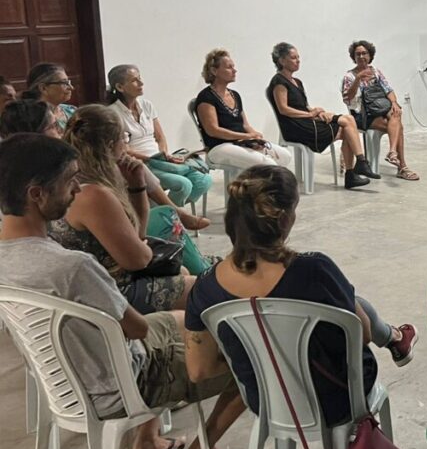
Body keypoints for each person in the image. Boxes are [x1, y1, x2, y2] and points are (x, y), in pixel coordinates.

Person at [0, 134, 248, 449]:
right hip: (121, 387)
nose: (77, 189)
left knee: (179, 320)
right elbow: (137, 330)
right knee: (248, 355)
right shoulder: (72, 267)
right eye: (70, 181)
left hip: (62, 382)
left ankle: (146, 444)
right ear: (37, 194)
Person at [184, 165, 418, 430]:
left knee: (348, 301)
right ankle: (393, 337)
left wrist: (262, 358)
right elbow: (362, 335)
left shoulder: (204, 288)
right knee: (351, 302)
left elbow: (199, 370)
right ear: (284, 219)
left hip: (268, 402)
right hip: (337, 399)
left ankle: (394, 337)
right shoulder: (315, 270)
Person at [51, 105, 208, 311]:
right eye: (124, 138)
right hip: (102, 293)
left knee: (183, 271)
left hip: (97, 280)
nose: (126, 145)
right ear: (110, 145)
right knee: (204, 290)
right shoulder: (93, 194)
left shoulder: (69, 174)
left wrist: (137, 187)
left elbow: (137, 235)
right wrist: (145, 246)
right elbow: (139, 259)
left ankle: (204, 274)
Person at [267, 42, 377, 189]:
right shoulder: (279, 81)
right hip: (296, 127)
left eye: (298, 57)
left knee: (348, 122)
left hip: (306, 121)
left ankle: (357, 167)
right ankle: (356, 168)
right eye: (293, 58)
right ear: (281, 60)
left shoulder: (297, 82)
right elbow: (284, 109)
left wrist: (318, 111)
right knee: (348, 126)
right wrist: (310, 114)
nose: (298, 60)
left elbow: (303, 106)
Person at [107, 64, 215, 212]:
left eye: (140, 78)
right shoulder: (113, 113)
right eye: (134, 80)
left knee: (204, 180)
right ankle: (170, 217)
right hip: (140, 164)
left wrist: (164, 154)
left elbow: (160, 137)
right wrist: (151, 159)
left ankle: (164, 214)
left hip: (159, 160)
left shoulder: (147, 105)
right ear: (120, 87)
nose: (141, 83)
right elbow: (124, 150)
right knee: (183, 185)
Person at [194, 48, 293, 172]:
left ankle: (257, 182)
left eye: (233, 67)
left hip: (241, 142)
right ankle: (257, 183)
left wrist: (255, 136)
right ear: (214, 71)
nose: (234, 70)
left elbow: (245, 125)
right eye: (229, 67)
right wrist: (246, 136)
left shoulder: (235, 95)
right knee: (267, 163)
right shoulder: (206, 97)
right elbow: (213, 130)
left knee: (284, 156)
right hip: (219, 147)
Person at [341, 39, 419, 180]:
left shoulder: (376, 72)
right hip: (362, 116)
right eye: (358, 54)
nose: (361, 56)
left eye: (364, 53)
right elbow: (348, 99)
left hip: (379, 110)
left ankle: (393, 153)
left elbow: (388, 90)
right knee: (398, 127)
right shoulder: (349, 76)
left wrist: (394, 102)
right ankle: (401, 166)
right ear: (353, 57)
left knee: (396, 113)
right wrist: (358, 79)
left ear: (370, 55)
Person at [21, 61, 77, 132]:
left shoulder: (72, 111)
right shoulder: (31, 119)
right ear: (43, 88)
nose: (71, 87)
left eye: (68, 82)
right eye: (64, 83)